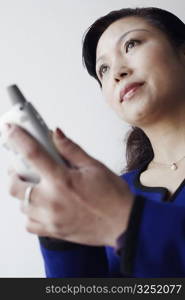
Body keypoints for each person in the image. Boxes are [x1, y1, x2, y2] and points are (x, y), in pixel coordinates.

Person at [7, 6, 185, 277]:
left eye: (131, 44)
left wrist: (125, 220)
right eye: (103, 69)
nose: (117, 72)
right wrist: (63, 237)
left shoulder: (112, 201)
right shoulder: (109, 191)